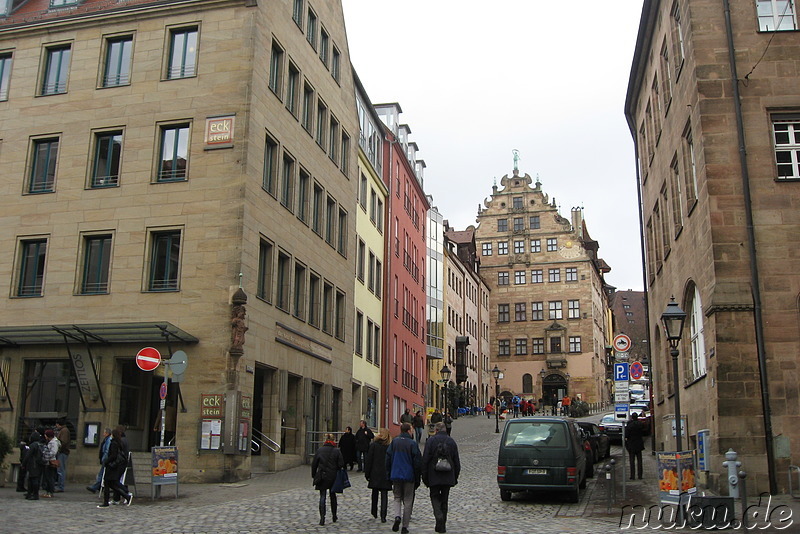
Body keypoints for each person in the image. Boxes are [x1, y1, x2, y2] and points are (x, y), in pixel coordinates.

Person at [422, 422, 461, 533]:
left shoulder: (431, 441)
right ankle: (442, 524)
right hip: (448, 476)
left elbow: (425, 460)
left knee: (434, 497)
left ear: (436, 430)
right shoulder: (451, 442)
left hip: (433, 475)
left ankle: (438, 516)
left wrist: (425, 477)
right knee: (445, 499)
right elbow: (456, 462)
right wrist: (455, 477)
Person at [385, 422, 421, 534]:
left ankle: (397, 516)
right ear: (409, 431)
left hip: (396, 474)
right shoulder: (412, 444)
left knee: (397, 497)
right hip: (409, 475)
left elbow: (388, 458)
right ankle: (405, 526)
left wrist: (389, 473)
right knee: (408, 500)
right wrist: (417, 477)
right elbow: (417, 462)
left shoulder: (394, 442)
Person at [311, 433, 344, 525]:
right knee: (332, 496)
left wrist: (314, 475)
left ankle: (322, 518)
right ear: (333, 440)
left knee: (322, 496)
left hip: (322, 475)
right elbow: (341, 464)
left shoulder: (320, 450)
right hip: (333, 476)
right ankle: (334, 515)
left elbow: (314, 464)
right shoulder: (336, 451)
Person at [98, 428, 133, 508]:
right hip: (115, 465)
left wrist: (106, 461)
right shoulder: (119, 442)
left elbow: (113, 455)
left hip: (112, 465)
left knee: (108, 483)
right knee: (112, 484)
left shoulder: (114, 443)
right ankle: (126, 496)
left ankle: (106, 502)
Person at [364, 428, 392, 522]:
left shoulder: (374, 445)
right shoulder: (389, 446)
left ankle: (374, 511)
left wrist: (367, 473)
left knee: (374, 493)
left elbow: (369, 460)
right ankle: (383, 515)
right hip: (385, 473)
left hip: (375, 472)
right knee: (384, 495)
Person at [87, 428, 112, 494]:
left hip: (105, 459)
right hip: (104, 458)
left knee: (101, 474)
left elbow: (107, 450)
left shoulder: (108, 440)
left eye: (104, 432)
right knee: (101, 474)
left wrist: (104, 459)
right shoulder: (106, 440)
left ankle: (95, 487)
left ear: (107, 433)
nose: (103, 434)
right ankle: (97, 486)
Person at [21, 430, 44, 500]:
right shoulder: (40, 444)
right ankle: (30, 493)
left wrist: (23, 463)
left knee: (33, 479)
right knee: (33, 479)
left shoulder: (33, 445)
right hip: (39, 464)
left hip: (33, 464)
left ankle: (35, 494)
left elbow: (28, 455)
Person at [625, 413, 645, 480]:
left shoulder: (629, 425)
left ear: (632, 417)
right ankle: (640, 475)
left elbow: (626, 435)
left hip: (631, 444)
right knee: (639, 461)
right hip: (639, 443)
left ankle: (632, 476)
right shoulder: (640, 424)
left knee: (632, 461)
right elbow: (644, 431)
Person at [41, 428, 59, 498]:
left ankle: (50, 492)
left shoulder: (54, 442)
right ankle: (48, 491)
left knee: (50, 477)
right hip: (48, 461)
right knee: (47, 477)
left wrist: (46, 455)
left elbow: (53, 452)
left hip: (51, 461)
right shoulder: (51, 441)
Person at [54, 419, 70, 492]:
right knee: (60, 469)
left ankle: (61, 486)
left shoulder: (64, 431)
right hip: (62, 452)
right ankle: (59, 485)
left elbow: (63, 442)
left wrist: (59, 449)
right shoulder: (63, 430)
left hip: (62, 452)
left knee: (61, 469)